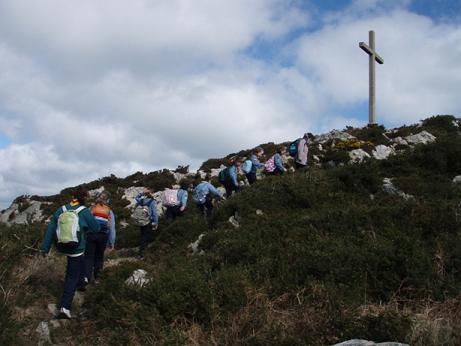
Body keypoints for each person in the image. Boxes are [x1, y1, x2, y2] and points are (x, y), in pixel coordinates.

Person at [40, 187, 100, 319]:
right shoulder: (84, 211)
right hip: (76, 248)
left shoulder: (61, 210)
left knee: (78, 263)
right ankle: (65, 307)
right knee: (71, 276)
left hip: (62, 246)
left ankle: (82, 282)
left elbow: (51, 229)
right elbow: (96, 228)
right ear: (83, 198)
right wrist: (85, 230)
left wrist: (45, 248)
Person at [84, 191, 116, 286]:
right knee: (99, 258)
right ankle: (98, 279)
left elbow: (86, 223)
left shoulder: (92, 208)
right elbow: (111, 227)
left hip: (91, 235)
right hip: (103, 236)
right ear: (108, 200)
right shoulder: (109, 211)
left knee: (88, 257)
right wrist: (111, 242)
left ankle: (86, 278)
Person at [135, 188, 158, 258]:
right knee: (146, 237)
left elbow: (136, 197)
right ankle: (142, 254)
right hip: (148, 221)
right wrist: (156, 222)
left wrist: (142, 193)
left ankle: (140, 253)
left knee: (142, 236)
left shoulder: (141, 200)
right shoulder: (152, 202)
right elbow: (154, 214)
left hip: (141, 221)